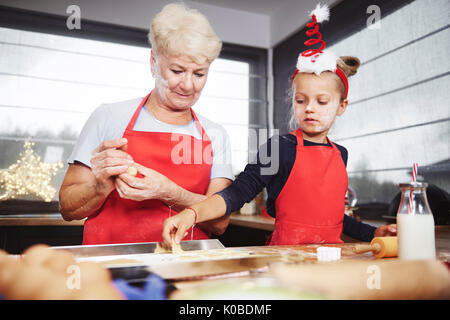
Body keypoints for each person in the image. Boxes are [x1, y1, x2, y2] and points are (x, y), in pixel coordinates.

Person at [161, 4, 396, 247]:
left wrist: (374, 233)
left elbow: (334, 219)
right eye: (301, 100)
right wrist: (192, 213)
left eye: (322, 101)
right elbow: (236, 194)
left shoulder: (341, 155)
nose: (310, 108)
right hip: (284, 258)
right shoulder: (280, 148)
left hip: (330, 262)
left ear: (342, 106)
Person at [59, 3, 234, 244]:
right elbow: (67, 208)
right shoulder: (109, 117)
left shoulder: (215, 135)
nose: (188, 85)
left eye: (199, 74)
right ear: (153, 61)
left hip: (187, 264)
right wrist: (99, 187)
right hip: (111, 264)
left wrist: (168, 192)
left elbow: (220, 222)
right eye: (177, 70)